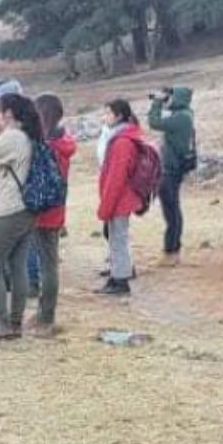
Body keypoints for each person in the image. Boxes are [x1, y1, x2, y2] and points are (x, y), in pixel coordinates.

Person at [0, 92, 39, 340]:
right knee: (16, 265)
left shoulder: (13, 136)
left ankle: (1, 323)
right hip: (23, 210)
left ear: (8, 114)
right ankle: (14, 323)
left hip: (9, 210)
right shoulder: (22, 136)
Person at [29, 93, 76, 337]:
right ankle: (43, 313)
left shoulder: (46, 146)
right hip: (56, 206)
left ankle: (46, 318)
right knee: (48, 262)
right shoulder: (63, 142)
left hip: (43, 208)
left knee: (48, 265)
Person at [96, 99, 145, 296]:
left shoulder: (122, 142)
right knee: (116, 237)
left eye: (108, 113)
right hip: (122, 197)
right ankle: (117, 276)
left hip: (120, 199)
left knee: (118, 239)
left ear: (119, 116)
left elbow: (116, 177)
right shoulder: (122, 137)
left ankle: (120, 281)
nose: (104, 117)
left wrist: (106, 206)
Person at [147, 86, 196, 266]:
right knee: (173, 209)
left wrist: (157, 102)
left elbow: (154, 122)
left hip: (170, 170)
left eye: (171, 97)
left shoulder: (181, 117)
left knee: (171, 210)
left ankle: (171, 251)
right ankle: (173, 250)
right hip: (173, 168)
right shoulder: (185, 114)